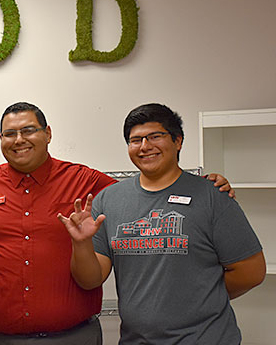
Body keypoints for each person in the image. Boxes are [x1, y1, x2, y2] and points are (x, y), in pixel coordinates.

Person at [0, 101, 234, 344]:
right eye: (8, 133)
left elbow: (146, 196)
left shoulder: (85, 181)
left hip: (75, 336)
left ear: (48, 133)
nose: (18, 139)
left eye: (28, 130)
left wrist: (201, 186)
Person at [58, 103, 266, 344]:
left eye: (155, 136)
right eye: (135, 140)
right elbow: (90, 279)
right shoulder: (109, 199)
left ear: (177, 141)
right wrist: (81, 243)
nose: (145, 146)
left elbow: (251, 272)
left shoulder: (212, 195)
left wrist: (203, 298)